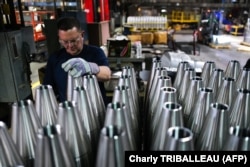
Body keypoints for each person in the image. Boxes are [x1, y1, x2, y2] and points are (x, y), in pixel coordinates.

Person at [43, 17, 111, 105]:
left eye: (74, 41)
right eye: (65, 42)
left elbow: (107, 74)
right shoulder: (55, 58)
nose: (70, 45)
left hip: (95, 110)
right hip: (70, 112)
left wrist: (90, 67)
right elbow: (48, 89)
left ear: (82, 35)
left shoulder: (95, 52)